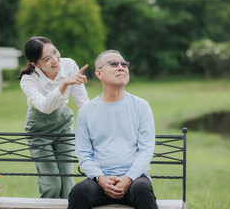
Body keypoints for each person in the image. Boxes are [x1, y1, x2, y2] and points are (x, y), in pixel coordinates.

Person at [68, 50, 158, 209]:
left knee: (142, 189)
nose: (121, 67)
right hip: (100, 182)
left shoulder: (141, 106)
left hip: (134, 179)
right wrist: (101, 179)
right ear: (99, 73)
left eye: (124, 64)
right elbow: (84, 153)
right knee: (79, 191)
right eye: (114, 64)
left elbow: (146, 149)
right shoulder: (86, 111)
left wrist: (128, 178)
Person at [18, 36, 89, 198]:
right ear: (35, 64)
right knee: (52, 184)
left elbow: (82, 102)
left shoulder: (69, 65)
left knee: (67, 180)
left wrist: (93, 127)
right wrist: (64, 84)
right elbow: (44, 106)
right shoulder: (28, 79)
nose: (55, 60)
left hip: (63, 122)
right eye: (47, 59)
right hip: (38, 129)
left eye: (55, 52)